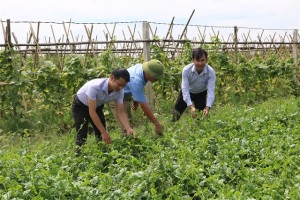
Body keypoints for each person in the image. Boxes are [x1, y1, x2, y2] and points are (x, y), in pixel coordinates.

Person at [72, 68, 136, 153]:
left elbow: (121, 111)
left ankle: (101, 153)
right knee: (82, 133)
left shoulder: (120, 91)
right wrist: (104, 132)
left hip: (97, 105)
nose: (121, 88)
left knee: (100, 132)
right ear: (112, 78)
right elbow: (92, 111)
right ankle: (78, 156)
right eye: (119, 84)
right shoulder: (95, 86)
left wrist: (128, 128)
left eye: (123, 86)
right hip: (80, 105)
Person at [109, 59, 165, 135]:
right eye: (156, 77)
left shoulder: (141, 68)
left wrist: (135, 103)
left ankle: (130, 141)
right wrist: (157, 124)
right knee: (125, 128)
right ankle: (123, 144)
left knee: (129, 124)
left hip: (125, 97)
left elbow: (135, 90)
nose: (157, 79)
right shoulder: (136, 80)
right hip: (116, 96)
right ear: (148, 74)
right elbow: (144, 107)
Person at [172, 47, 216, 121]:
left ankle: (199, 130)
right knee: (176, 114)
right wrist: (191, 107)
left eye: (202, 60)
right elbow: (185, 90)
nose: (200, 63)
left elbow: (211, 91)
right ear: (193, 60)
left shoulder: (210, 72)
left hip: (201, 93)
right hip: (187, 92)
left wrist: (207, 107)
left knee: (201, 117)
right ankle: (172, 129)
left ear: (206, 60)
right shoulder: (186, 70)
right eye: (197, 60)